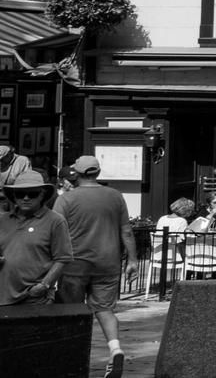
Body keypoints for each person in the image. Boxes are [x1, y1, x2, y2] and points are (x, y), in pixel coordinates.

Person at [57, 155, 132, 378]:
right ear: (97, 172)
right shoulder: (115, 196)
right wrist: (133, 260)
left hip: (74, 263)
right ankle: (115, 348)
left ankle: (73, 357)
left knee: (71, 311)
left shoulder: (66, 199)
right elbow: (126, 231)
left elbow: (55, 231)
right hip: (108, 262)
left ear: (76, 174)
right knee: (105, 309)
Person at [0, 170, 71, 305]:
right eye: (20, 194)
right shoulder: (3, 220)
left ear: (42, 195)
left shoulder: (55, 221)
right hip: (3, 296)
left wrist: (44, 285)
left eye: (32, 194)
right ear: (14, 196)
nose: (26, 198)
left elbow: (62, 258)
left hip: (35, 298)